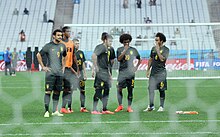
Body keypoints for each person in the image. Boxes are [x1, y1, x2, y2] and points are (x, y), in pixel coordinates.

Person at [37, 29, 67, 117]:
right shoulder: (48, 46)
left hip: (59, 73)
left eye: (61, 35)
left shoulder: (62, 46)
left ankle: (55, 111)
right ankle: (46, 111)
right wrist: (43, 66)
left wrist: (64, 67)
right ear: (53, 36)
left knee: (57, 92)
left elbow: (65, 56)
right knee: (48, 92)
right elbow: (38, 55)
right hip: (50, 73)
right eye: (58, 35)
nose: (60, 37)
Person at [115, 34, 141, 113]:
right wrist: (124, 51)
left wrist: (135, 68)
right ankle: (120, 105)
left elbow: (139, 59)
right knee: (119, 89)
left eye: (128, 41)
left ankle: (129, 107)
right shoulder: (119, 49)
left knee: (130, 90)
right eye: (125, 42)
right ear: (122, 42)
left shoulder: (133, 50)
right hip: (122, 73)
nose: (126, 43)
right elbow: (119, 59)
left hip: (130, 73)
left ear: (130, 41)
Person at [143, 32, 169, 112]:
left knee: (161, 89)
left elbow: (162, 59)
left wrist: (158, 49)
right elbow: (151, 59)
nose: (156, 41)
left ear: (162, 41)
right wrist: (148, 70)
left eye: (157, 40)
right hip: (153, 73)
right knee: (151, 89)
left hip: (161, 72)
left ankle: (161, 106)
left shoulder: (166, 49)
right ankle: (151, 105)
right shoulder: (153, 49)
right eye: (155, 40)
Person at [91, 32, 115, 114]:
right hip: (101, 72)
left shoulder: (109, 49)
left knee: (107, 90)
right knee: (98, 90)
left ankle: (104, 109)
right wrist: (95, 68)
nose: (111, 43)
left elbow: (109, 62)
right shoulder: (100, 47)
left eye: (112, 41)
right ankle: (94, 109)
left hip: (106, 72)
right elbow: (94, 56)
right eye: (110, 41)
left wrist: (110, 74)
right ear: (105, 40)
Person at [60, 26, 78, 114]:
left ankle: (63, 107)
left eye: (70, 31)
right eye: (67, 31)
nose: (69, 33)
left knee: (67, 89)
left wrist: (77, 68)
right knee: (56, 89)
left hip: (68, 69)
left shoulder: (71, 43)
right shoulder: (59, 43)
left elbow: (73, 56)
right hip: (59, 69)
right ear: (63, 33)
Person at [72, 38, 89, 112]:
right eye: (76, 43)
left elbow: (83, 64)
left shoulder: (81, 53)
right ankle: (69, 108)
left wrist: (85, 74)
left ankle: (83, 107)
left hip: (80, 74)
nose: (77, 45)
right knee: (70, 91)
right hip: (72, 75)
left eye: (78, 43)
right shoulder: (70, 53)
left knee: (82, 91)